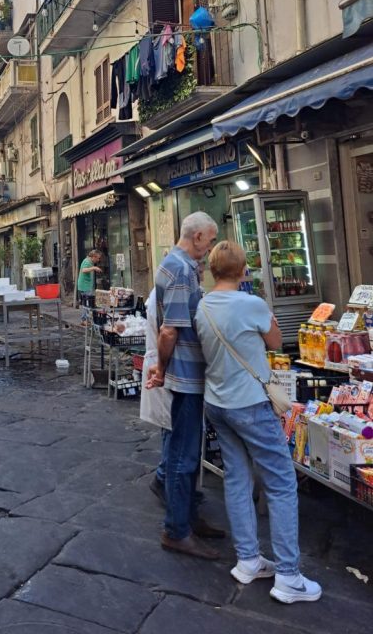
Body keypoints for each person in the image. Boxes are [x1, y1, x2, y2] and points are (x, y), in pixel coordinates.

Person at [195, 241, 321, 603]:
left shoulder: (202, 306)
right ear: (243, 270)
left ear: (212, 270)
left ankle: (248, 560)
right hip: (250, 403)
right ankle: (288, 576)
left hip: (217, 403)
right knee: (281, 483)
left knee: (237, 479)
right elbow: (277, 343)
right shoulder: (252, 304)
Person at [147, 211, 224, 559]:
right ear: (196, 237)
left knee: (187, 452)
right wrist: (161, 370)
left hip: (187, 373)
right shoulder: (180, 270)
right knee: (183, 455)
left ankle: (188, 518)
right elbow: (169, 329)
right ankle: (176, 530)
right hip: (186, 376)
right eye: (208, 241)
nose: (209, 250)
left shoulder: (176, 263)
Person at [139, 287, 172, 502]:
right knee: (171, 427)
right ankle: (164, 477)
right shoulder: (166, 295)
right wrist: (160, 368)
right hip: (162, 365)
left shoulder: (158, 295)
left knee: (170, 427)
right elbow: (167, 333)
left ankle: (166, 476)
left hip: (160, 363)